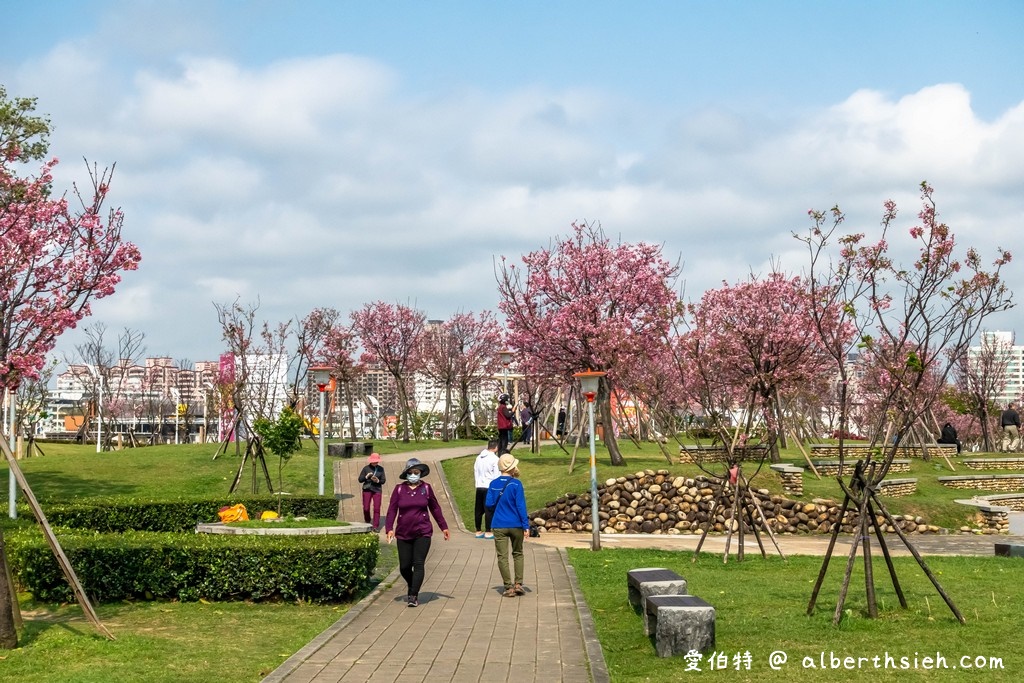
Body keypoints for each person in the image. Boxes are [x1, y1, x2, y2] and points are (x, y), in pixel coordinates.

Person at [385, 458, 450, 607]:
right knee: (404, 567)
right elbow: (392, 510)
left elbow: (435, 508)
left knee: (418, 563)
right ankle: (414, 583)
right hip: (403, 532)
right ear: (406, 473)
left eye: (417, 472)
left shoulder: (426, 488)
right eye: (411, 472)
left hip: (423, 531)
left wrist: (443, 526)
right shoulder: (399, 489)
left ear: (421, 473)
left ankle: (413, 595)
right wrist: (389, 528)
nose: (414, 475)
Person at [486, 453, 530, 598]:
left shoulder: (493, 484)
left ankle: (508, 586)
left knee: (502, 556)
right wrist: (526, 526)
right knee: (518, 553)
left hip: (499, 524)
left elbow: (489, 504)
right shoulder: (516, 484)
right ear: (512, 467)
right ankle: (518, 584)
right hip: (516, 524)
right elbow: (521, 506)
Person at [473, 440, 501, 539]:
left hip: (479, 485)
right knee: (489, 509)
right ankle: (488, 531)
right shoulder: (495, 459)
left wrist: (477, 483)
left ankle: (478, 530)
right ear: (496, 448)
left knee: (478, 509)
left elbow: (475, 471)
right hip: (489, 486)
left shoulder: (478, 458)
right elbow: (497, 475)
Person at [357, 452, 386, 531]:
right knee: (366, 508)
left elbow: (383, 481)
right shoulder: (366, 468)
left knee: (377, 508)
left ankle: (375, 526)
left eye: (376, 461)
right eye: (374, 461)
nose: (375, 463)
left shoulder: (380, 469)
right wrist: (366, 477)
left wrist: (377, 480)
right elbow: (360, 480)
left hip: (377, 489)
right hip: (367, 489)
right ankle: (367, 520)